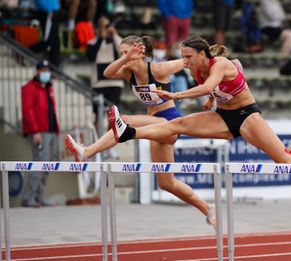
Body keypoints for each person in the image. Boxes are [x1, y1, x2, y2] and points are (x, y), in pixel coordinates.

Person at [108, 35, 291, 165]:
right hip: (223, 117)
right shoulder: (194, 70)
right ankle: (129, 132)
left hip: (247, 115)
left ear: (202, 54)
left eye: (188, 57)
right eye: (182, 57)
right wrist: (210, 101)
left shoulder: (220, 64)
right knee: (175, 125)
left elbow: (209, 85)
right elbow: (211, 90)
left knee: (286, 163)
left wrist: (176, 95)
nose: (184, 62)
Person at [65, 35, 217, 228]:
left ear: (140, 52)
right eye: (120, 54)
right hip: (155, 127)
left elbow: (189, 61)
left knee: (125, 121)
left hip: (170, 123)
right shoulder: (128, 72)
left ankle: (87, 152)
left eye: (126, 52)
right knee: (166, 183)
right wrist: (126, 58)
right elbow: (107, 72)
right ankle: (208, 209)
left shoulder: (159, 69)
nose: (123, 57)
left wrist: (211, 66)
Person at [21, 60, 59, 207]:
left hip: (50, 131)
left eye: (47, 70)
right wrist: (35, 131)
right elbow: (27, 111)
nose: (45, 73)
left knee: (47, 165)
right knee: (39, 164)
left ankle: (38, 197)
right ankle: (28, 198)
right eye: (42, 70)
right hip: (39, 132)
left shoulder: (47, 87)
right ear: (36, 71)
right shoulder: (29, 88)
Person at [85, 16, 124, 115]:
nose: (105, 29)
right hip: (98, 83)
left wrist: (114, 34)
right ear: (97, 28)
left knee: (114, 115)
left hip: (115, 83)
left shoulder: (116, 40)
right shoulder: (92, 42)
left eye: (107, 26)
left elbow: (123, 53)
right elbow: (91, 57)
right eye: (102, 27)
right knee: (97, 113)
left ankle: (112, 131)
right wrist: (100, 39)